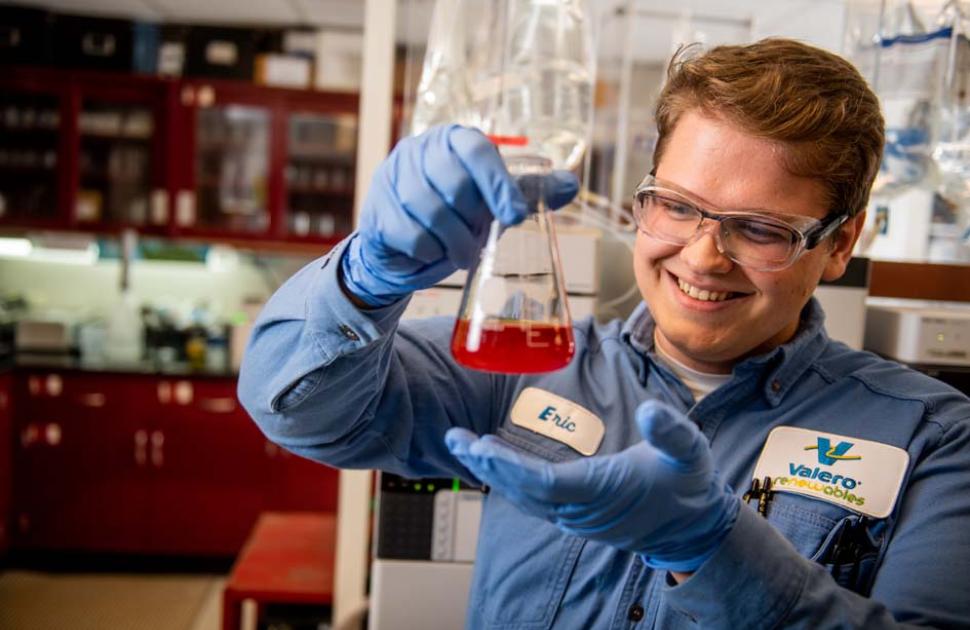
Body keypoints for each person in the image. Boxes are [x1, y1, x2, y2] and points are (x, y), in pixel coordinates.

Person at [238, 38, 970, 629]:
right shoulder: (529, 365)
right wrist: (369, 275)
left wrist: (713, 550)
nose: (702, 256)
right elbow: (301, 413)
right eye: (677, 207)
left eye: (758, 229)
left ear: (841, 245)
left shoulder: (934, 437)